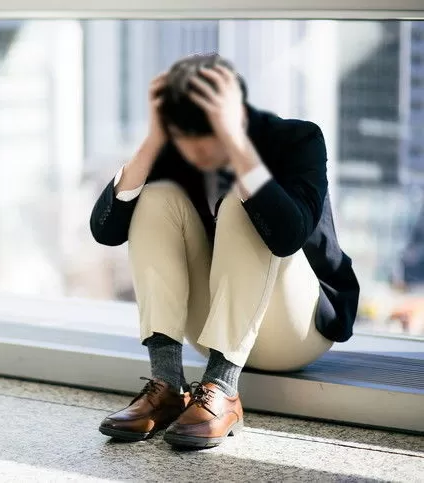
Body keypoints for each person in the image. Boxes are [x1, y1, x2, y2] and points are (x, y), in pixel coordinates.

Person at [89, 53, 360, 449]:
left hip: (294, 329)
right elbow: (105, 232)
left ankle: (223, 388)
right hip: (214, 325)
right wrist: (153, 140)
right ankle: (166, 385)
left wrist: (236, 145)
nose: (195, 149)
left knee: (241, 202)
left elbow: (287, 237)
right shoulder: (176, 147)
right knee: (157, 196)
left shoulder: (297, 140)